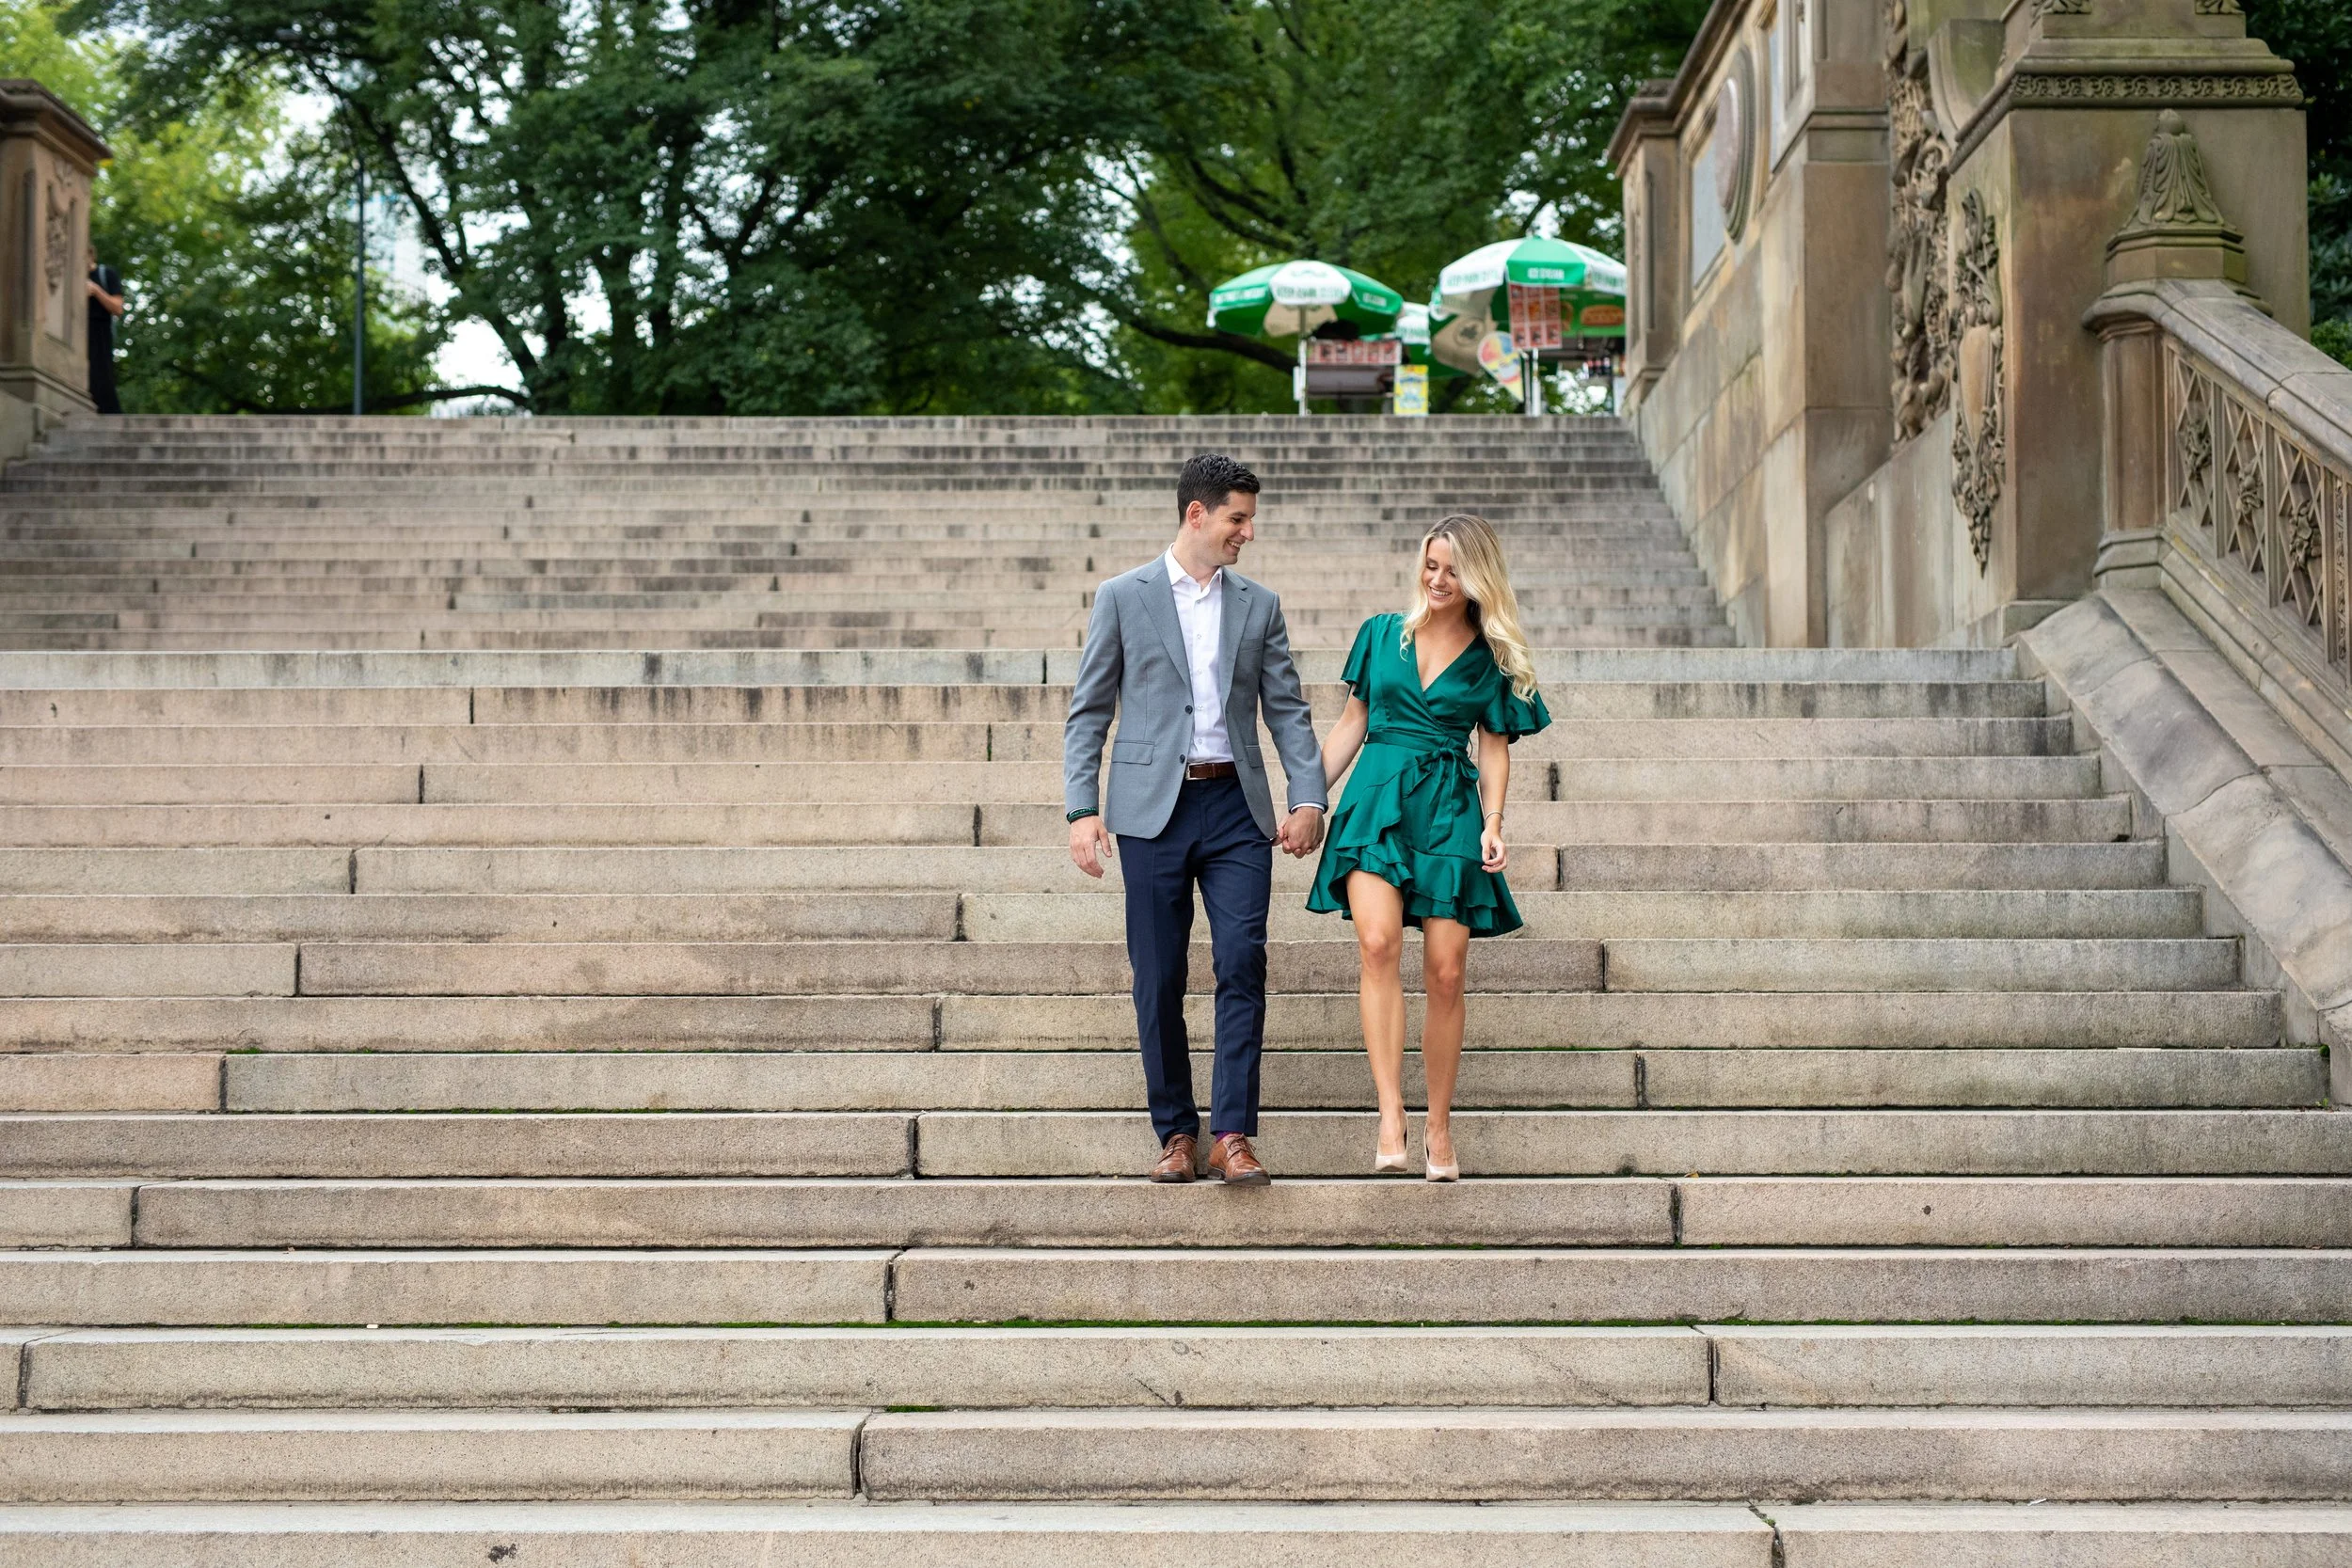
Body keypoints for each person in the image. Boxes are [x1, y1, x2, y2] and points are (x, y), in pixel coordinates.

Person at [1065, 453, 1328, 1186]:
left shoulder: (1259, 604)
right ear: (1198, 514)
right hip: (1152, 812)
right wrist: (1082, 809)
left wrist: (1308, 797)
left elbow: (1287, 710)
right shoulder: (1124, 596)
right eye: (1238, 518)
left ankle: (1234, 1134)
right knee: (1158, 976)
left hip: (1236, 810)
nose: (1248, 532)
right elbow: (1088, 712)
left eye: (1250, 518)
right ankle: (1177, 1131)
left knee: (1242, 960)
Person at [1306, 514, 1549, 1181]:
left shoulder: (1492, 657)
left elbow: (1494, 749)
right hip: (1376, 800)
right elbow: (1350, 724)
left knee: (1446, 970)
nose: (1439, 579)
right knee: (1377, 944)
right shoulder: (1383, 634)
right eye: (1431, 565)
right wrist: (1306, 798)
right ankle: (1392, 1113)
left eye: (1453, 569)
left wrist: (1494, 821)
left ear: (1478, 578)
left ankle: (1439, 1123)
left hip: (1449, 809)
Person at [86, 245, 123, 415]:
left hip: (99, 331)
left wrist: (96, 290)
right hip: (78, 331)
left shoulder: (106, 274)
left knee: (101, 376)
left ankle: (110, 413)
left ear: (91, 255)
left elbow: (118, 308)